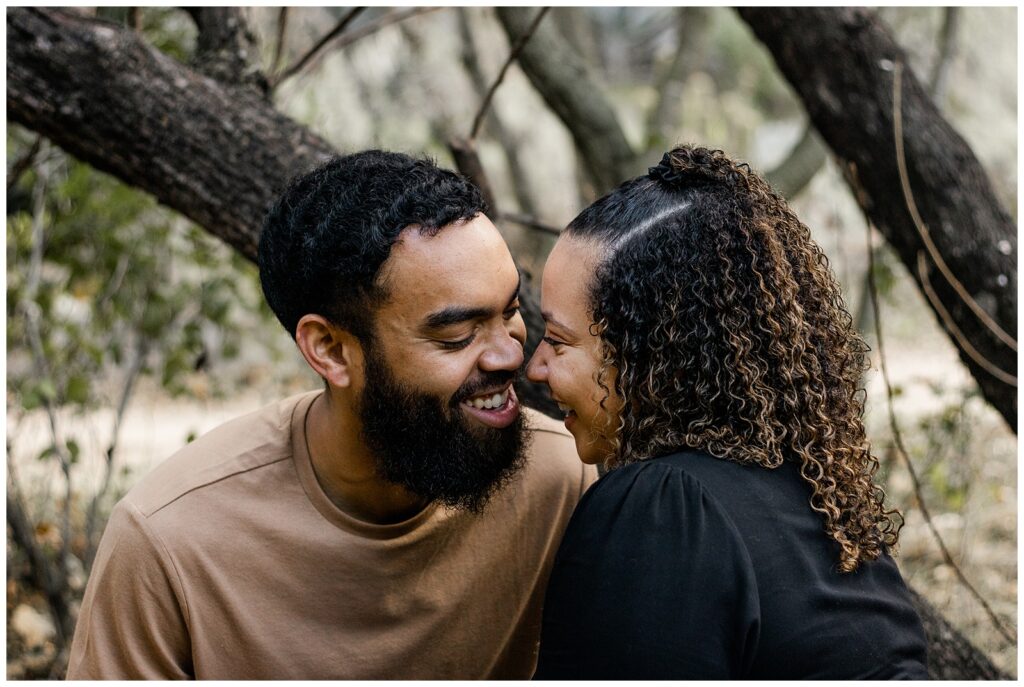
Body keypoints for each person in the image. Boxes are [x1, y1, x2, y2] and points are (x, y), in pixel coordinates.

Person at [67, 151, 596, 679]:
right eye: (457, 335)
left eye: (510, 312)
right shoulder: (169, 540)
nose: (510, 355)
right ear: (330, 349)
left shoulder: (566, 480)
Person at [526, 146, 929, 679]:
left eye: (557, 340)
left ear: (656, 353)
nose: (533, 367)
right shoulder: (818, 500)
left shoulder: (663, 512)